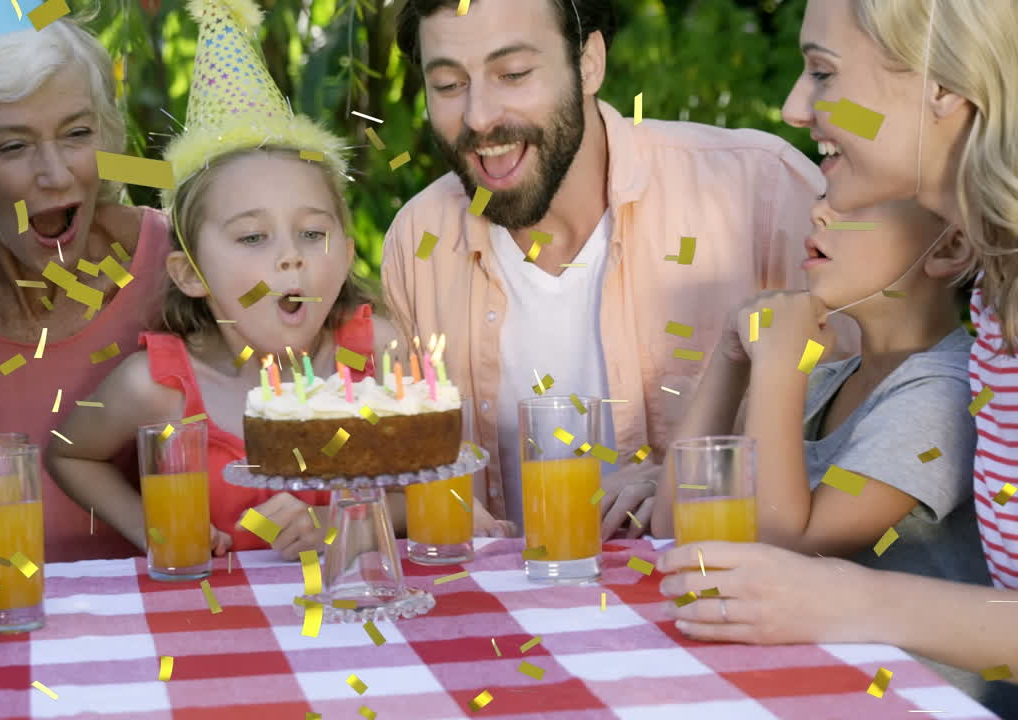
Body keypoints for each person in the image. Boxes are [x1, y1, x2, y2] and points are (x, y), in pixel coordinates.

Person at [384, 0, 859, 541]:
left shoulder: (763, 191)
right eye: (448, 85)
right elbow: (399, 484)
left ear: (589, 62)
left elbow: (870, 429)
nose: (478, 117)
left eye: (513, 74)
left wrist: (690, 483)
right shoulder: (419, 241)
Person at [659, 0, 1018, 714]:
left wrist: (845, 596)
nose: (794, 108)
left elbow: (782, 538)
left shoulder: (949, 371)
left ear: (943, 86)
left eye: (823, 73)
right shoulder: (995, 307)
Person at [46, 0, 400, 561]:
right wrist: (156, 530)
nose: (291, 258)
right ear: (191, 274)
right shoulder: (159, 388)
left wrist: (339, 521)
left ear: (348, 252)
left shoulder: (381, 356)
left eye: (313, 233)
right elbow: (68, 452)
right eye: (253, 237)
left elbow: (449, 492)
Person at [0, 11, 170, 566]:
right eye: (13, 147)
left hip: (169, 607)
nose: (56, 174)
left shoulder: (179, 265)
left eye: (77, 134)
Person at [654, 195, 988, 590]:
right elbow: (674, 527)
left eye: (857, 202)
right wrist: (730, 358)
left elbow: (780, 549)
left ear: (950, 248)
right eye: (824, 197)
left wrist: (779, 360)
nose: (819, 212)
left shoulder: (948, 392)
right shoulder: (821, 384)